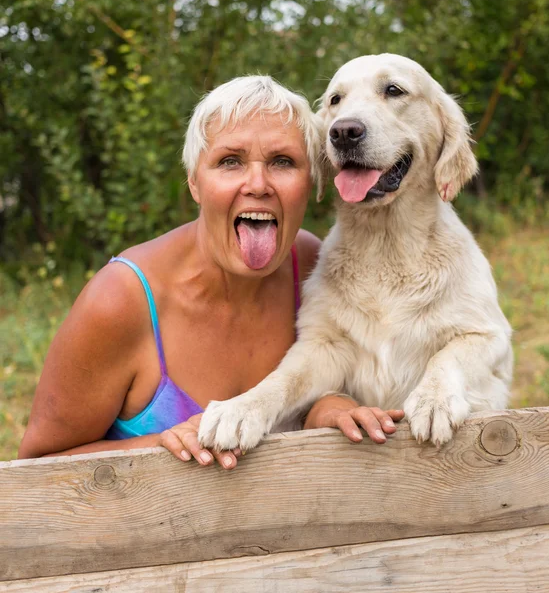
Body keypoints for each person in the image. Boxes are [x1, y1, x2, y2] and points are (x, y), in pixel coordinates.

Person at [18, 76, 403, 468]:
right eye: (229, 161)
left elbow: (312, 389)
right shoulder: (120, 299)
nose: (258, 184)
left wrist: (329, 409)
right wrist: (157, 447)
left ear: (312, 183)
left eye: (282, 162)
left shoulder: (312, 265)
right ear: (194, 182)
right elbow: (34, 467)